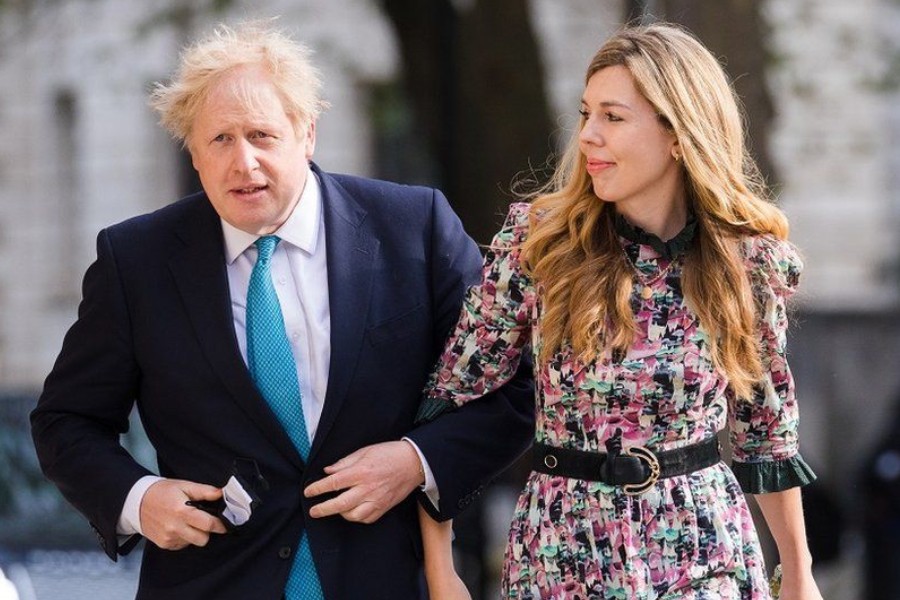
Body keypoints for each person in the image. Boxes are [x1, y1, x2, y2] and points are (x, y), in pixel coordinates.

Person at [30, 21, 533, 600]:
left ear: (307, 132)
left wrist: (416, 462)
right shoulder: (135, 261)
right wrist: (139, 500)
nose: (243, 162)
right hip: (211, 582)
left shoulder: (413, 230)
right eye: (219, 140)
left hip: (384, 578)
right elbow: (65, 421)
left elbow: (516, 387)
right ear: (193, 153)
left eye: (262, 135)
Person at [410, 23, 824, 599]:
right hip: (563, 550)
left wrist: (799, 574)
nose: (588, 137)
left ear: (678, 133)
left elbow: (766, 432)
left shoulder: (748, 264)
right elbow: (454, 395)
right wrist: (441, 567)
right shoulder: (539, 245)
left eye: (613, 117)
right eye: (586, 115)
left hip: (704, 546)